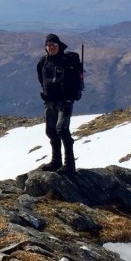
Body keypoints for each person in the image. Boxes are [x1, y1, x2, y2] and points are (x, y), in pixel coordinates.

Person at [36, 33, 77, 173]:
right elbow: (41, 79)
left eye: (53, 45)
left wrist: (69, 99)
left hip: (64, 101)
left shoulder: (67, 61)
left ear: (58, 45)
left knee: (62, 129)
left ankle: (70, 165)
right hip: (50, 101)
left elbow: (74, 82)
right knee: (51, 131)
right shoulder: (43, 62)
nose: (50, 48)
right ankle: (56, 162)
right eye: (48, 45)